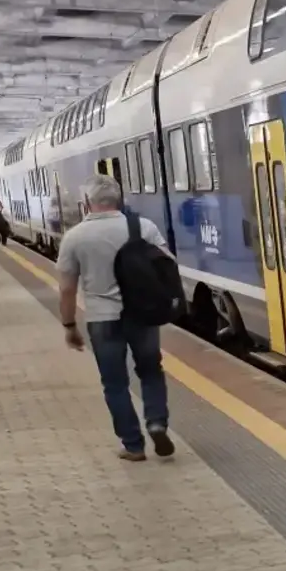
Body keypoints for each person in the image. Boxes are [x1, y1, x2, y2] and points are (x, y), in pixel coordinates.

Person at [57, 175, 175, 462]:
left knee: (114, 383)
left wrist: (70, 325)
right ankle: (156, 422)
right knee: (150, 371)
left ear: (88, 202)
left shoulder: (75, 237)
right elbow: (166, 264)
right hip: (142, 315)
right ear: (118, 201)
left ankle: (134, 445)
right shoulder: (143, 227)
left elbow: (67, 289)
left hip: (102, 319)